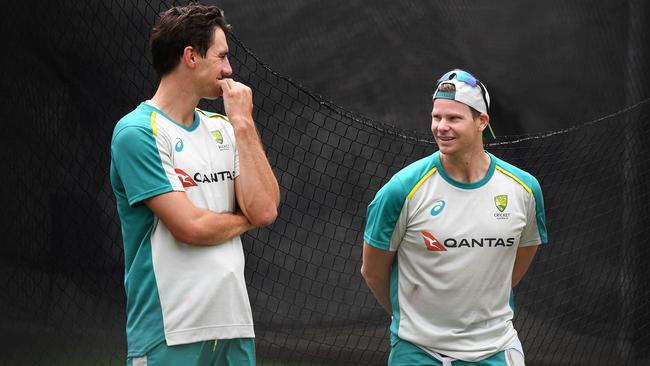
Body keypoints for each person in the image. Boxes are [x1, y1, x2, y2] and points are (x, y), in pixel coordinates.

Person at [110, 3, 280, 365]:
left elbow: (265, 206)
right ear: (190, 56)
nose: (229, 69)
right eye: (221, 57)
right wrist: (245, 220)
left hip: (233, 329)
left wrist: (244, 124)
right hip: (169, 333)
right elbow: (189, 226)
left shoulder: (224, 127)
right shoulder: (137, 133)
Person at [361, 69, 547, 366]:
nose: (441, 127)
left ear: (481, 122)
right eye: (437, 117)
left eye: (454, 118)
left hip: (496, 351)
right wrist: (416, 321)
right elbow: (372, 271)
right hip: (417, 353)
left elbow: (521, 255)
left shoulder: (524, 189)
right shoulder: (401, 190)